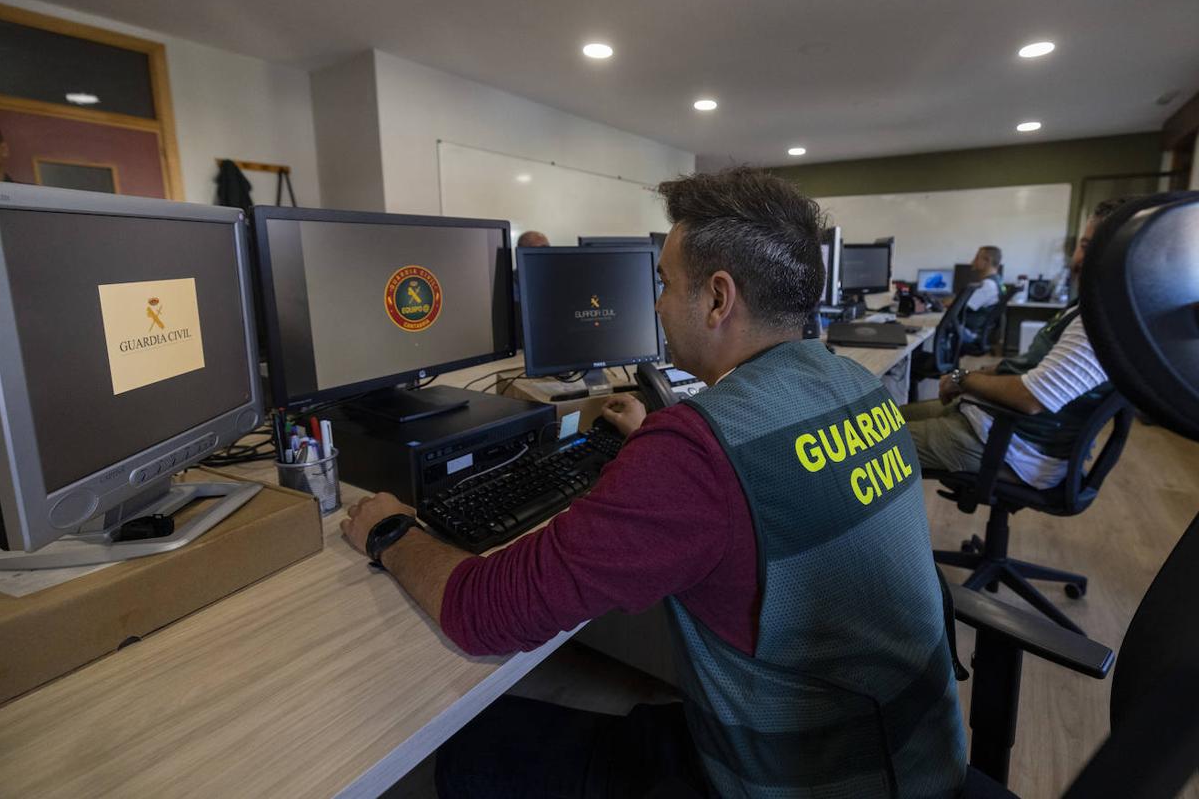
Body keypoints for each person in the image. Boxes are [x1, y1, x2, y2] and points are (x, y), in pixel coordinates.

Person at [341, 168, 966, 798]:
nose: (658, 305)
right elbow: (757, 492)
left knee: (457, 748)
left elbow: (486, 612)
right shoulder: (853, 386)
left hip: (803, 779)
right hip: (914, 751)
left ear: (719, 299)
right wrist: (655, 449)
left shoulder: (697, 454)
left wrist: (392, 531)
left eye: (665, 283)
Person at [900, 197, 1141, 489]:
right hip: (991, 421)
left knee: (860, 450)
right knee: (882, 420)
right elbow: (1031, 368)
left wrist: (963, 377)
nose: (1081, 259)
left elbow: (1030, 397)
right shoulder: (1088, 307)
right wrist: (982, 374)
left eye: (1101, 249)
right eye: (1086, 246)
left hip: (1009, 445)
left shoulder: (1102, 323)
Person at [950, 246, 1003, 344]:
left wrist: (946, 302)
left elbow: (961, 306)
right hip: (976, 330)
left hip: (971, 333)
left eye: (977, 258)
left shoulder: (988, 285)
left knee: (932, 329)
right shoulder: (997, 281)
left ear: (987, 260)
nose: (972, 262)